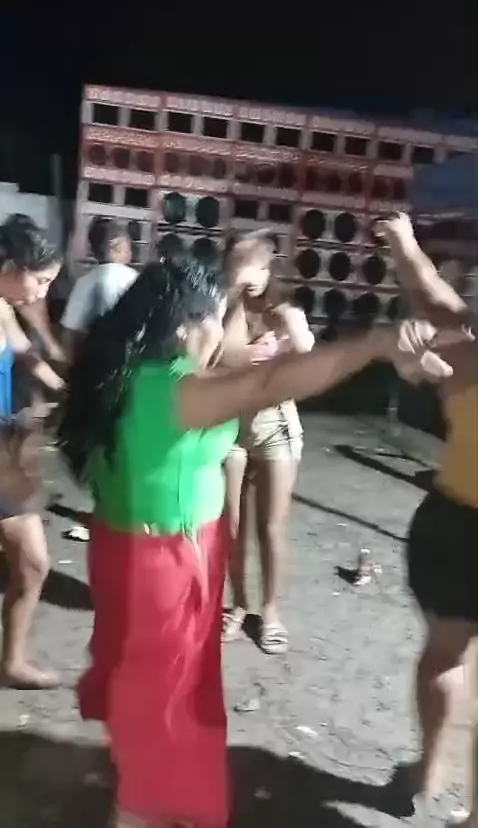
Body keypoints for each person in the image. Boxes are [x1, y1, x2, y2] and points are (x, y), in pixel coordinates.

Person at [57, 247, 444, 828]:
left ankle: (142, 793)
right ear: (187, 328)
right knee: (162, 703)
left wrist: (241, 301)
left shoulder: (127, 370)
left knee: (142, 689)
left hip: (122, 548)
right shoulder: (178, 392)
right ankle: (135, 810)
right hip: (165, 564)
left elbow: (244, 364)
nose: (221, 332)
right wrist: (375, 344)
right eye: (215, 319)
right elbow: (270, 380)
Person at [378, 213, 477, 828]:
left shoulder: (468, 360)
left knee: (444, 654)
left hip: (459, 524)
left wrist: (404, 244)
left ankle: (428, 770)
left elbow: (440, 307)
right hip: (456, 525)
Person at [221, 230, 314, 653]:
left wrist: (292, 327)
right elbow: (218, 355)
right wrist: (232, 300)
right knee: (232, 526)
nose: (250, 276)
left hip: (276, 426)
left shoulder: (283, 310)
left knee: (271, 527)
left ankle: (271, 611)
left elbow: (306, 349)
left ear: (269, 267)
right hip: (229, 427)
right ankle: (239, 604)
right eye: (241, 266)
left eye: (257, 267)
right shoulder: (224, 307)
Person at [0, 214, 64, 689]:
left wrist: (69, 391)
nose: (42, 292)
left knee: (32, 563)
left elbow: (26, 354)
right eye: (40, 281)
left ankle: (13, 662)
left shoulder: (4, 307)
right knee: (31, 562)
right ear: (10, 267)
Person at [61, 218, 137, 360]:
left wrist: (70, 362)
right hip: (128, 355)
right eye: (129, 248)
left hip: (93, 356)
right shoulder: (134, 278)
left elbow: (70, 328)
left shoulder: (84, 282)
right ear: (118, 248)